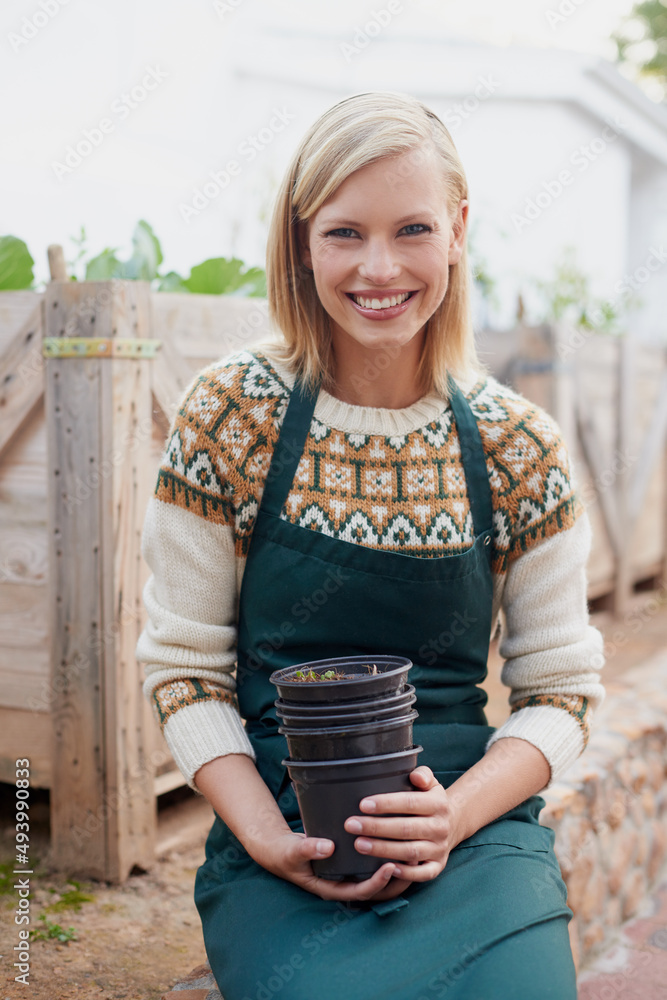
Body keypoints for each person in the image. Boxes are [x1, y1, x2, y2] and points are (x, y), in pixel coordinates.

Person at [136, 91, 604, 999]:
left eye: (412, 229)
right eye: (345, 232)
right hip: (284, 826)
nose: (378, 267)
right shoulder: (233, 415)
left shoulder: (518, 446)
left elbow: (561, 691)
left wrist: (453, 817)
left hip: (470, 833)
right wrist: (267, 836)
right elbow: (181, 670)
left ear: (459, 230)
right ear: (301, 240)